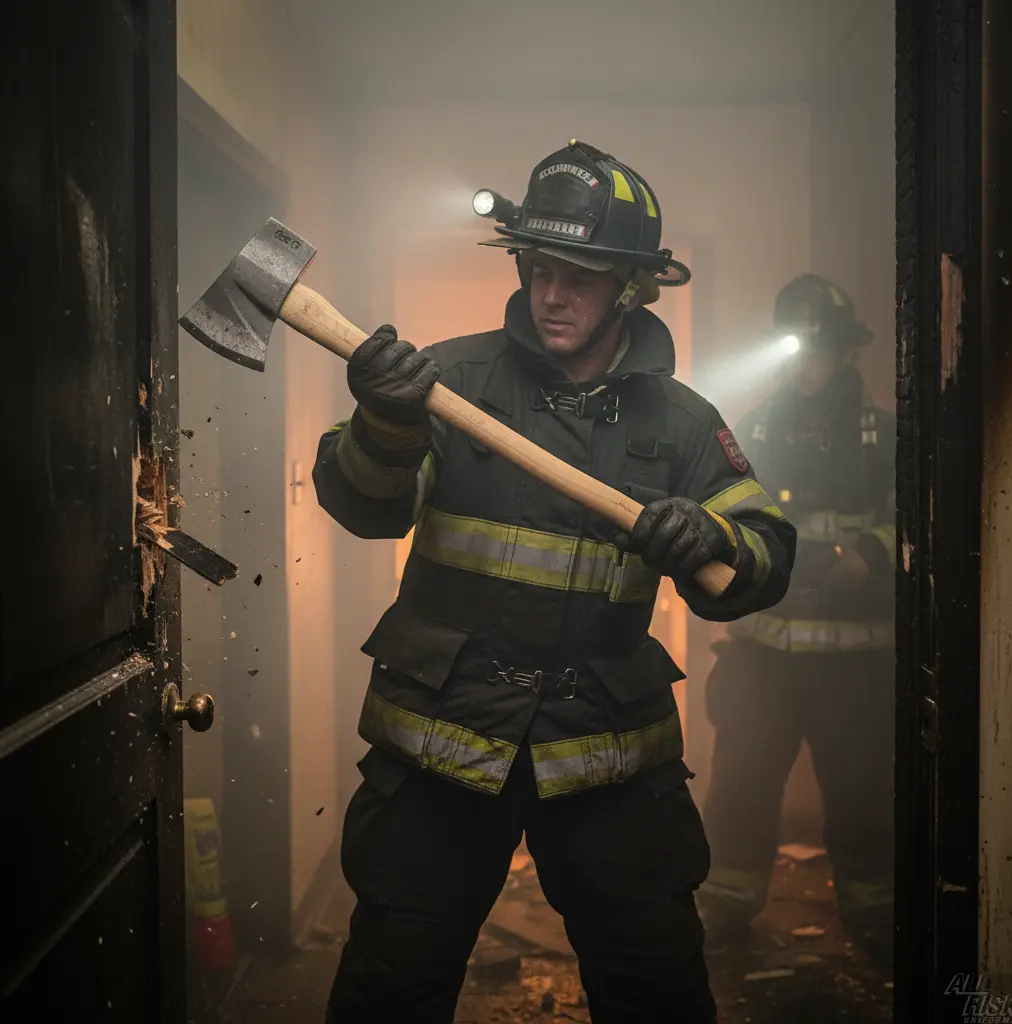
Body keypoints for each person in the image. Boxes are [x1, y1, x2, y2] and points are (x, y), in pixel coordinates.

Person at [313, 140, 796, 1023]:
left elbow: (763, 556)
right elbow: (368, 508)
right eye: (540, 270)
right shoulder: (448, 382)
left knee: (657, 992)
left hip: (606, 756)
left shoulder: (683, 422)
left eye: (580, 278)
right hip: (443, 744)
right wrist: (384, 422)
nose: (552, 296)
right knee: (391, 990)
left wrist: (712, 533)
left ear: (632, 288)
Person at [697, 274, 896, 968]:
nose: (808, 363)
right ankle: (727, 900)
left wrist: (867, 557)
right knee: (741, 782)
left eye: (820, 349)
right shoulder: (747, 432)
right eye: (797, 349)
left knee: (863, 791)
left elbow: (916, 514)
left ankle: (875, 908)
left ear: (845, 352)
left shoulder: (886, 437)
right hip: (765, 654)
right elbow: (722, 513)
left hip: (856, 659)